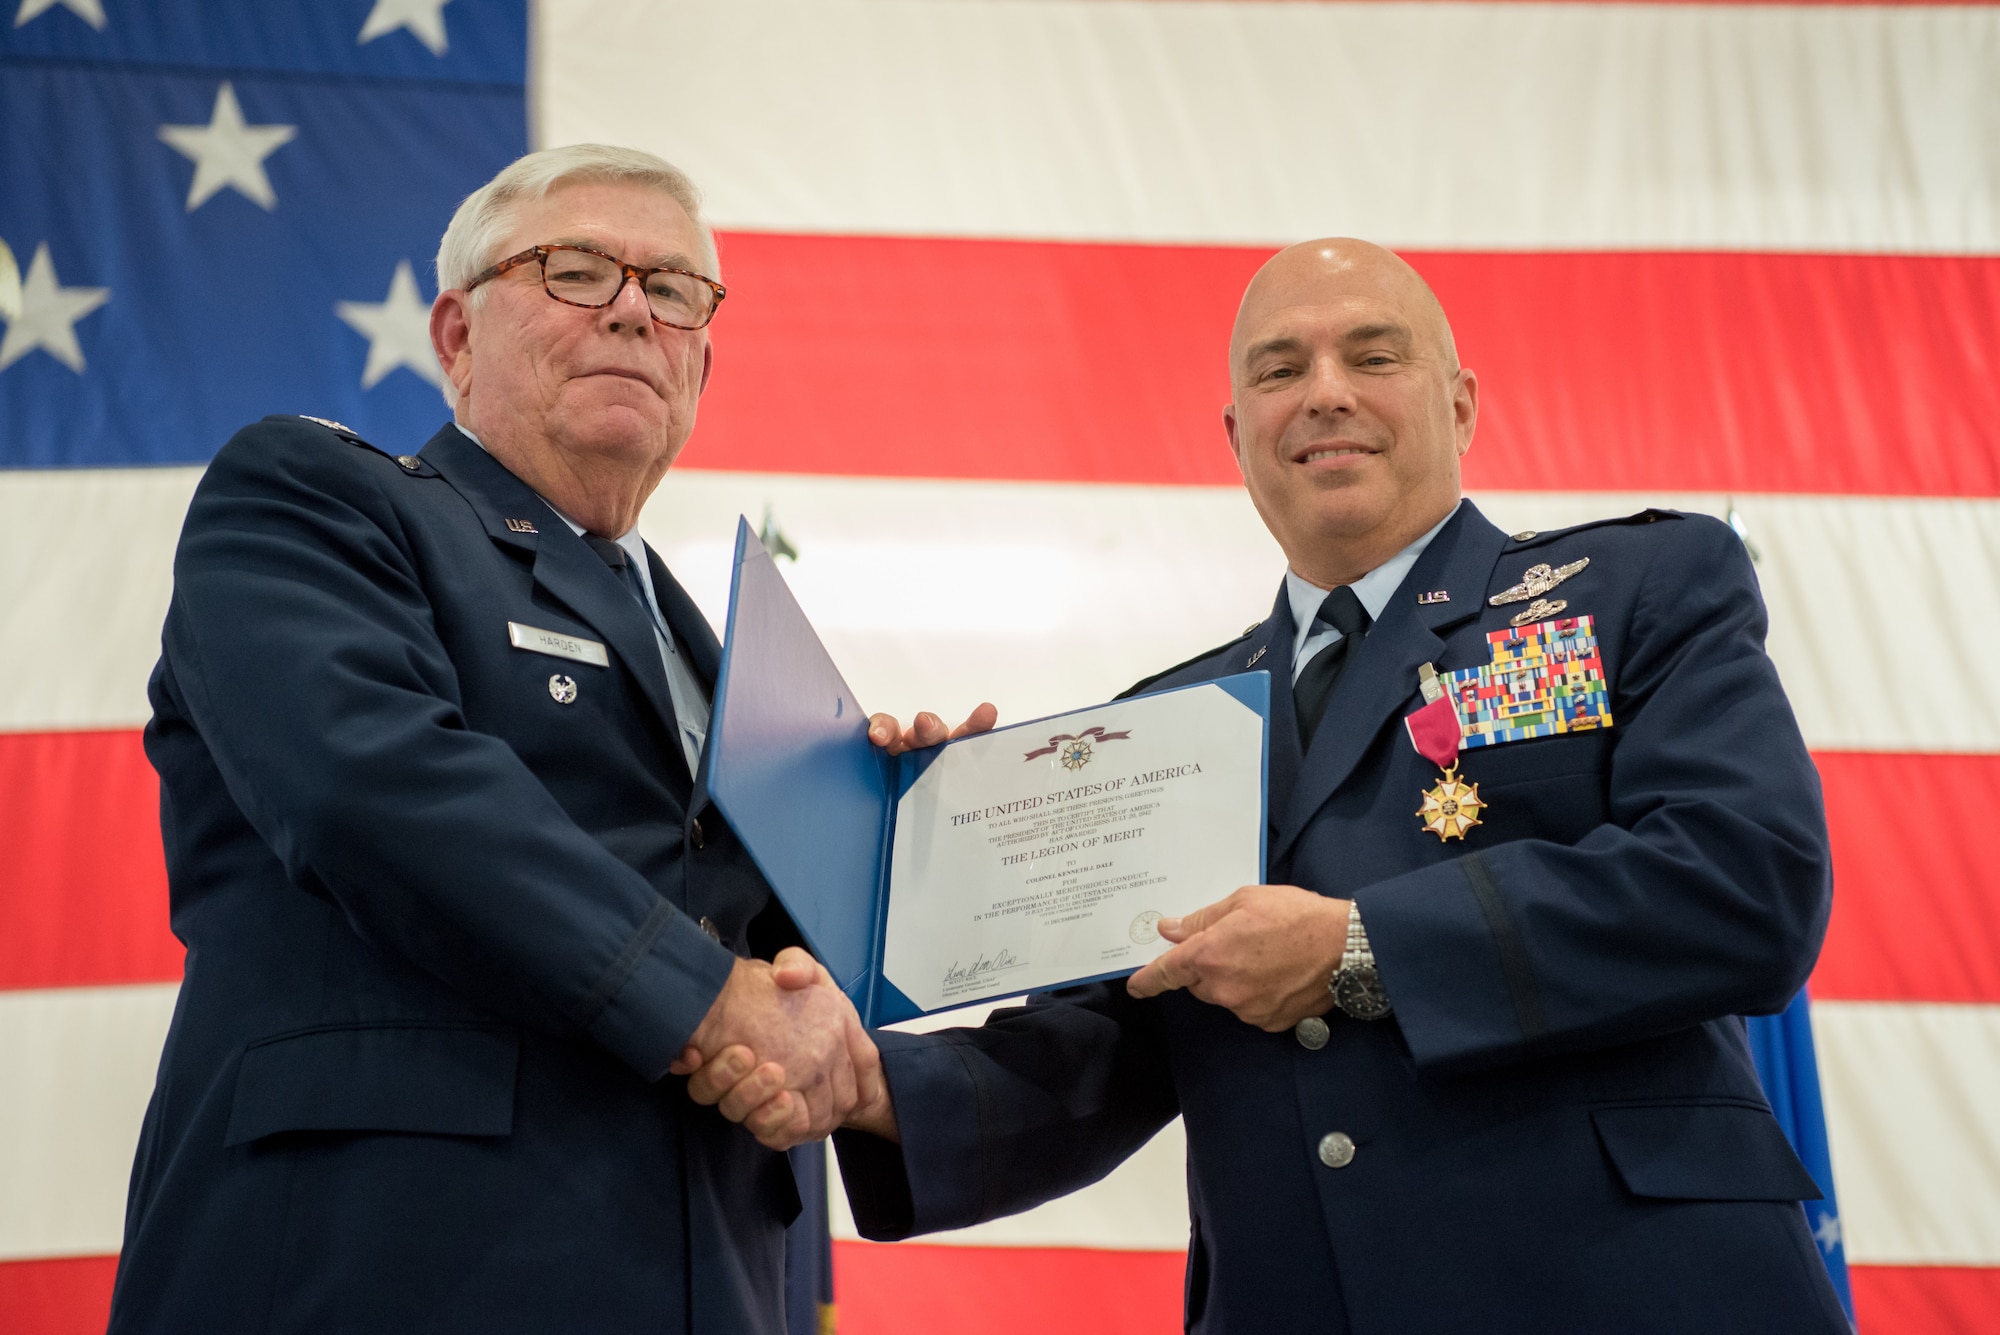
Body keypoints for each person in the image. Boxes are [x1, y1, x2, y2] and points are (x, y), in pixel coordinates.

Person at [692, 239, 1851, 1332]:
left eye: (1372, 354)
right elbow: (1114, 1036)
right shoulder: (1166, 723)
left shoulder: (1631, 588)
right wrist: (868, 1077)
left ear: (1458, 404)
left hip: (1621, 1290)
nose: (1325, 391)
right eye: (1280, 369)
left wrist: (1360, 949)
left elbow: (1743, 882)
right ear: (1236, 433)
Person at [111, 144, 939, 1333]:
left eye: (673, 290)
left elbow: (799, 973)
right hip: (386, 1260)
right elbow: (375, 786)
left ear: (702, 353)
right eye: (575, 269)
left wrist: (906, 830)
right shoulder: (314, 499)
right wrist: (712, 1004)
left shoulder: (735, 659)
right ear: (454, 334)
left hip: (709, 1275)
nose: (631, 311)